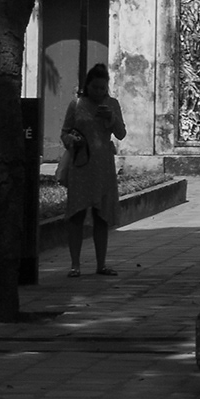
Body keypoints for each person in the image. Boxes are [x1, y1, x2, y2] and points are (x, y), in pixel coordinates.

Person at [60, 62, 126, 279]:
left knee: (102, 216)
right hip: (81, 164)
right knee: (76, 214)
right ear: (87, 86)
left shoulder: (112, 105)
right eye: (95, 87)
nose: (98, 92)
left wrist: (111, 118)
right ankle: (75, 265)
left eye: (102, 88)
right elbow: (65, 132)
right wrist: (71, 140)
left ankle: (101, 263)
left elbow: (121, 133)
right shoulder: (76, 105)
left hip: (103, 166)